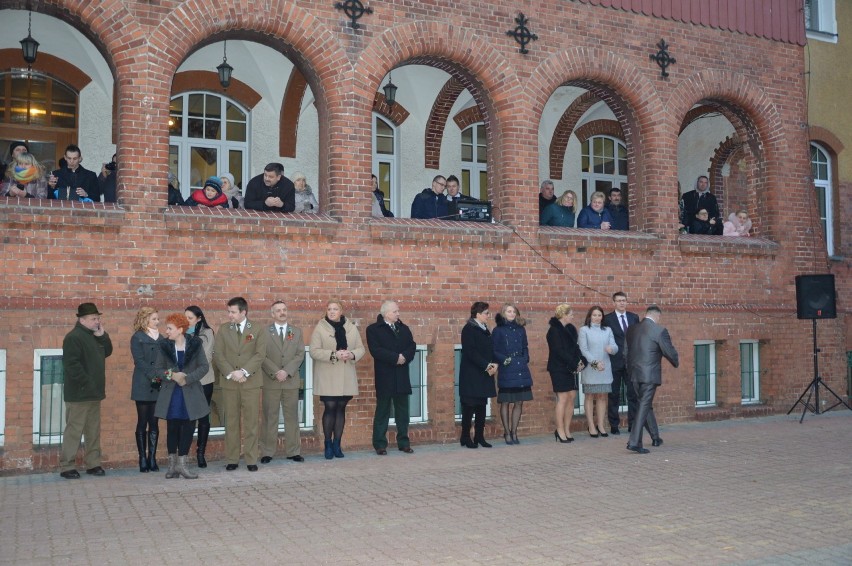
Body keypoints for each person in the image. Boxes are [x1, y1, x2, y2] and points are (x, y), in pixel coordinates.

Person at [213, 297, 268, 472]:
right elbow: (218, 354)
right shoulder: (223, 329)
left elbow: (260, 354)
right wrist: (232, 373)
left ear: (243, 312)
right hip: (230, 383)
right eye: (228, 312)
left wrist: (243, 372)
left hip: (250, 383)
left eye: (233, 312)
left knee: (251, 422)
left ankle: (251, 459)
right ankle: (232, 459)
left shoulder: (257, 329)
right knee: (231, 422)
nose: (230, 315)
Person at [59, 303, 113, 479]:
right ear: (81, 320)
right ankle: (67, 466)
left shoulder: (94, 336)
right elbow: (71, 365)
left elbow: (108, 352)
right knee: (74, 430)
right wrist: (87, 383)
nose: (97, 321)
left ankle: (93, 464)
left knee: (93, 430)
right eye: (93, 319)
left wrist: (102, 335)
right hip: (79, 394)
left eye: (98, 318)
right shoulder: (73, 337)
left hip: (94, 393)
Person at [154, 313, 210, 479]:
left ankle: (183, 466)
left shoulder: (195, 344)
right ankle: (172, 467)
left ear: (180, 330)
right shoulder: (164, 346)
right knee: (172, 428)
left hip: (190, 392)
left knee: (188, 428)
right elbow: (157, 369)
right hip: (171, 394)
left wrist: (187, 378)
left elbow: (204, 367)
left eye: (170, 328)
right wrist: (172, 375)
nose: (167, 331)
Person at [309, 300, 365, 459]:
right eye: (329, 309)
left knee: (341, 408)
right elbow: (314, 351)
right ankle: (327, 444)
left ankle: (337, 444)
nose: (332, 312)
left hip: (346, 374)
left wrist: (352, 354)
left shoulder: (351, 327)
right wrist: (334, 354)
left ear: (341, 311)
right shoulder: (320, 327)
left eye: (335, 309)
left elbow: (361, 348)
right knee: (330, 407)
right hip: (327, 374)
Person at [625, 305, 679, 454]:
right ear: (657, 316)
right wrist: (676, 361)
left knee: (644, 404)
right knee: (643, 406)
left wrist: (629, 370)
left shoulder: (632, 329)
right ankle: (634, 442)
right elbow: (669, 351)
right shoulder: (659, 331)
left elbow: (626, 352)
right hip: (649, 375)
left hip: (634, 374)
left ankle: (655, 438)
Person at [367, 300, 417, 455]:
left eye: (398, 311)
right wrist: (395, 357)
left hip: (401, 376)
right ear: (386, 313)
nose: (398, 314)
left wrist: (404, 357)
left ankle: (404, 442)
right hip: (385, 376)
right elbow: (376, 350)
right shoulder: (374, 329)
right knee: (383, 411)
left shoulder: (404, 328)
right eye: (395, 311)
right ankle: (380, 444)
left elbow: (412, 346)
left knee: (403, 412)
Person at [260, 301, 306, 464]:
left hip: (290, 381)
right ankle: (267, 451)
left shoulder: (297, 332)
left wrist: (286, 371)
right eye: (278, 310)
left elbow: (300, 354)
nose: (282, 313)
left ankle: (293, 451)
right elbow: (261, 355)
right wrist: (275, 372)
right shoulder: (264, 332)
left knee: (292, 417)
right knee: (269, 417)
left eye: (284, 310)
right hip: (271, 381)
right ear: (272, 314)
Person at [458, 302, 498, 449]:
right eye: (486, 313)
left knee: (481, 407)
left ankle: (479, 437)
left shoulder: (485, 329)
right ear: (478, 314)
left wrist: (494, 364)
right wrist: (486, 365)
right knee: (469, 407)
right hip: (471, 375)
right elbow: (470, 352)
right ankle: (465, 437)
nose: (489, 315)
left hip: (483, 374)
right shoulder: (469, 329)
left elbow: (490, 350)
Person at [492, 303, 533, 445]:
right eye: (509, 311)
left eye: (514, 311)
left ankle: (514, 431)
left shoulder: (521, 329)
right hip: (507, 368)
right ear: (503, 313)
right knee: (505, 401)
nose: (511, 314)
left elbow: (525, 346)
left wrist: (525, 358)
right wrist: (505, 360)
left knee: (519, 401)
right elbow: (494, 350)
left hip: (520, 367)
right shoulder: (498, 330)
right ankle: (507, 432)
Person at [546, 303, 586, 443]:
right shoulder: (553, 331)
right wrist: (574, 363)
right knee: (562, 398)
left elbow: (575, 347)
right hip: (558, 368)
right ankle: (560, 429)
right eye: (570, 314)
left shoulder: (571, 329)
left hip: (571, 367)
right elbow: (558, 351)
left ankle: (567, 429)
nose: (572, 316)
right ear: (563, 315)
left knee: (572, 397)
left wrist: (581, 361)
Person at [129, 307, 162, 473]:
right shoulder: (137, 337)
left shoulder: (162, 338)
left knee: (154, 422)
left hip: (157, 386)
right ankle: (142, 458)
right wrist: (153, 376)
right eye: (154, 319)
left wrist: (161, 377)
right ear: (145, 320)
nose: (158, 321)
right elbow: (139, 361)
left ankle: (152, 458)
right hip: (143, 383)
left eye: (157, 319)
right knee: (142, 421)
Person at [603, 292, 640, 435]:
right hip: (614, 362)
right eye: (619, 301)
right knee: (614, 394)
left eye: (624, 300)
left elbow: (637, 338)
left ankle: (633, 424)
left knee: (633, 394)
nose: (622, 303)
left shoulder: (634, 317)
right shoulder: (608, 319)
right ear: (614, 303)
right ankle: (614, 425)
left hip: (631, 362)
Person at [578, 305, 617, 438]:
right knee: (590, 396)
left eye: (599, 315)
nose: (597, 318)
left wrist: (612, 349)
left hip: (605, 368)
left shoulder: (608, 330)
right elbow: (583, 349)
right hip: (591, 368)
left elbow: (614, 346)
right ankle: (591, 425)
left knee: (602, 396)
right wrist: (594, 363)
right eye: (594, 315)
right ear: (590, 316)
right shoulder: (584, 330)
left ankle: (600, 424)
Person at [185, 305, 215, 467]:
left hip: (204, 381)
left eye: (190, 318)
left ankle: (200, 453)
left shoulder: (207, 333)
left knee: (203, 417)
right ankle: (184, 453)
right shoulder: (182, 333)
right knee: (188, 418)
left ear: (199, 318)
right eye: (185, 318)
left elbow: (205, 357)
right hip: (188, 382)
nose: (186, 321)